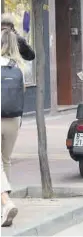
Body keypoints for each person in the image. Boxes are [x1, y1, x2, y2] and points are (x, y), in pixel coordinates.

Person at [1, 29, 24, 227]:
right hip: (13, 119)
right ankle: (3, 206)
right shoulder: (17, 67)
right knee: (5, 160)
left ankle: (6, 203)